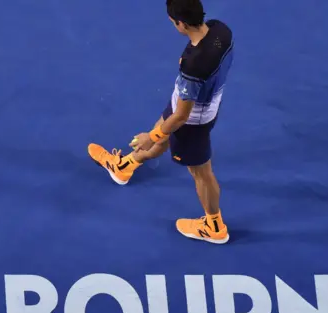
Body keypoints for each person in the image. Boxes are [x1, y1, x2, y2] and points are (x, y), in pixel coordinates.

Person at [87, 0, 234, 244]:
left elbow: (180, 117)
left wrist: (151, 136)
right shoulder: (221, 31)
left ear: (182, 23)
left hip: (191, 122)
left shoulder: (194, 65)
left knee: (202, 173)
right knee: (164, 130)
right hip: (203, 103)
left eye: (173, 22)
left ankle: (214, 225)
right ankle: (124, 167)